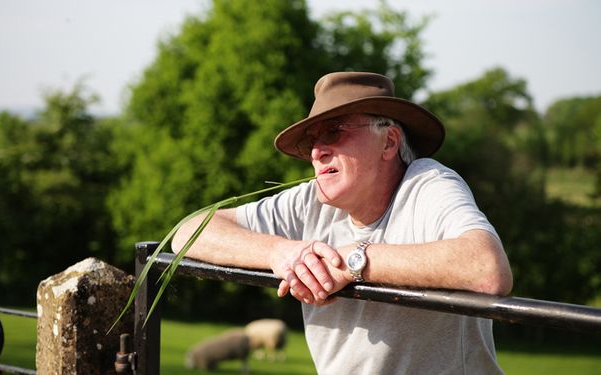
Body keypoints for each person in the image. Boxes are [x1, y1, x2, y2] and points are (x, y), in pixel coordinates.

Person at [171, 71, 513, 374]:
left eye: (334, 132)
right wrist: (281, 252)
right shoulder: (310, 201)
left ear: (389, 142)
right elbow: (189, 231)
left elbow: (487, 270)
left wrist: (356, 260)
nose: (317, 152)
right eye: (311, 141)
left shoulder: (426, 184)